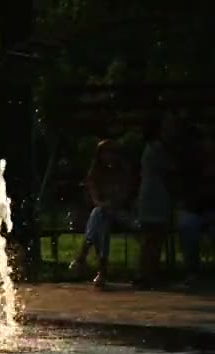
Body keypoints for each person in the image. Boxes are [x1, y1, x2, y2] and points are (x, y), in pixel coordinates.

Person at [70, 140, 132, 289]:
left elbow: (125, 197)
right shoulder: (95, 174)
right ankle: (102, 271)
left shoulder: (123, 173)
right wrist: (104, 205)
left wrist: (112, 205)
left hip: (123, 215)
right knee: (101, 219)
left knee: (99, 216)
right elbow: (95, 199)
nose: (109, 156)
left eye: (111, 152)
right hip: (104, 215)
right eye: (105, 153)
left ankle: (83, 256)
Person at [136, 115, 175, 289]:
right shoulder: (157, 148)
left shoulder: (148, 148)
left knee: (149, 237)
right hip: (156, 193)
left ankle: (145, 273)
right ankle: (150, 274)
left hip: (147, 193)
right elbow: (169, 168)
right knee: (155, 237)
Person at [177, 127, 214, 285]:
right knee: (187, 225)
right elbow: (186, 191)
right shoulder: (192, 166)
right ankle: (192, 270)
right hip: (195, 210)